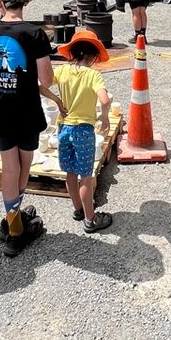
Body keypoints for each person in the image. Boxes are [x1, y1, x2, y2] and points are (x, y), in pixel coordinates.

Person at [0, 0, 52, 256]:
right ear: (25, 2)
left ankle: (12, 218)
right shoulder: (34, 34)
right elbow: (46, 79)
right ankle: (16, 229)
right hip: (28, 110)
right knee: (23, 165)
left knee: (9, 167)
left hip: (0, 110)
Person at [43, 29, 113, 233]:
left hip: (64, 128)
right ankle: (90, 220)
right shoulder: (93, 75)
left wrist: (56, 100)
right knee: (86, 176)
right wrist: (104, 115)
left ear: (73, 53)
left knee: (70, 173)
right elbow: (105, 100)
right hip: (83, 131)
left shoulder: (63, 71)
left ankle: (77, 210)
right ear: (92, 56)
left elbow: (41, 85)